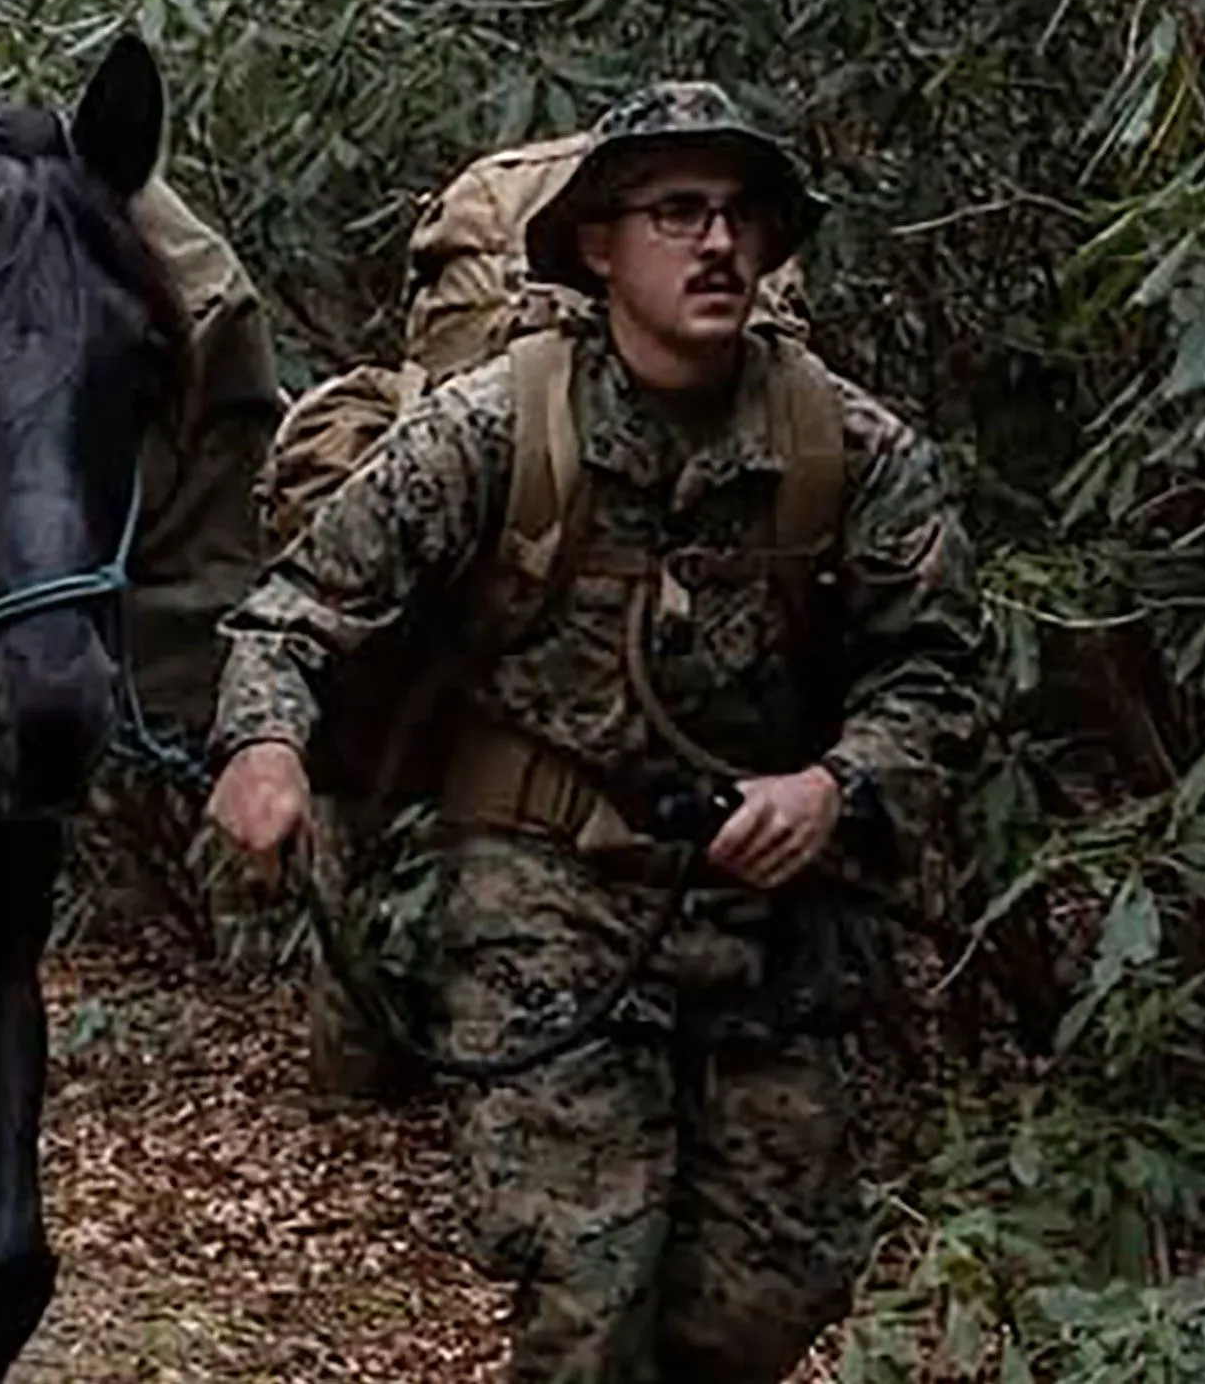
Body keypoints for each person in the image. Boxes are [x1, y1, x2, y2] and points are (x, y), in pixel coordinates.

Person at [204, 81, 989, 1381]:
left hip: (768, 916)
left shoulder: (845, 447)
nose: (719, 242)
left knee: (766, 1300)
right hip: (539, 895)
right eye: (677, 211)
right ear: (596, 246)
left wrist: (838, 786)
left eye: (741, 213)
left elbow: (941, 673)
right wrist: (265, 747)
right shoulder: (495, 426)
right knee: (588, 1294)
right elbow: (291, 613)